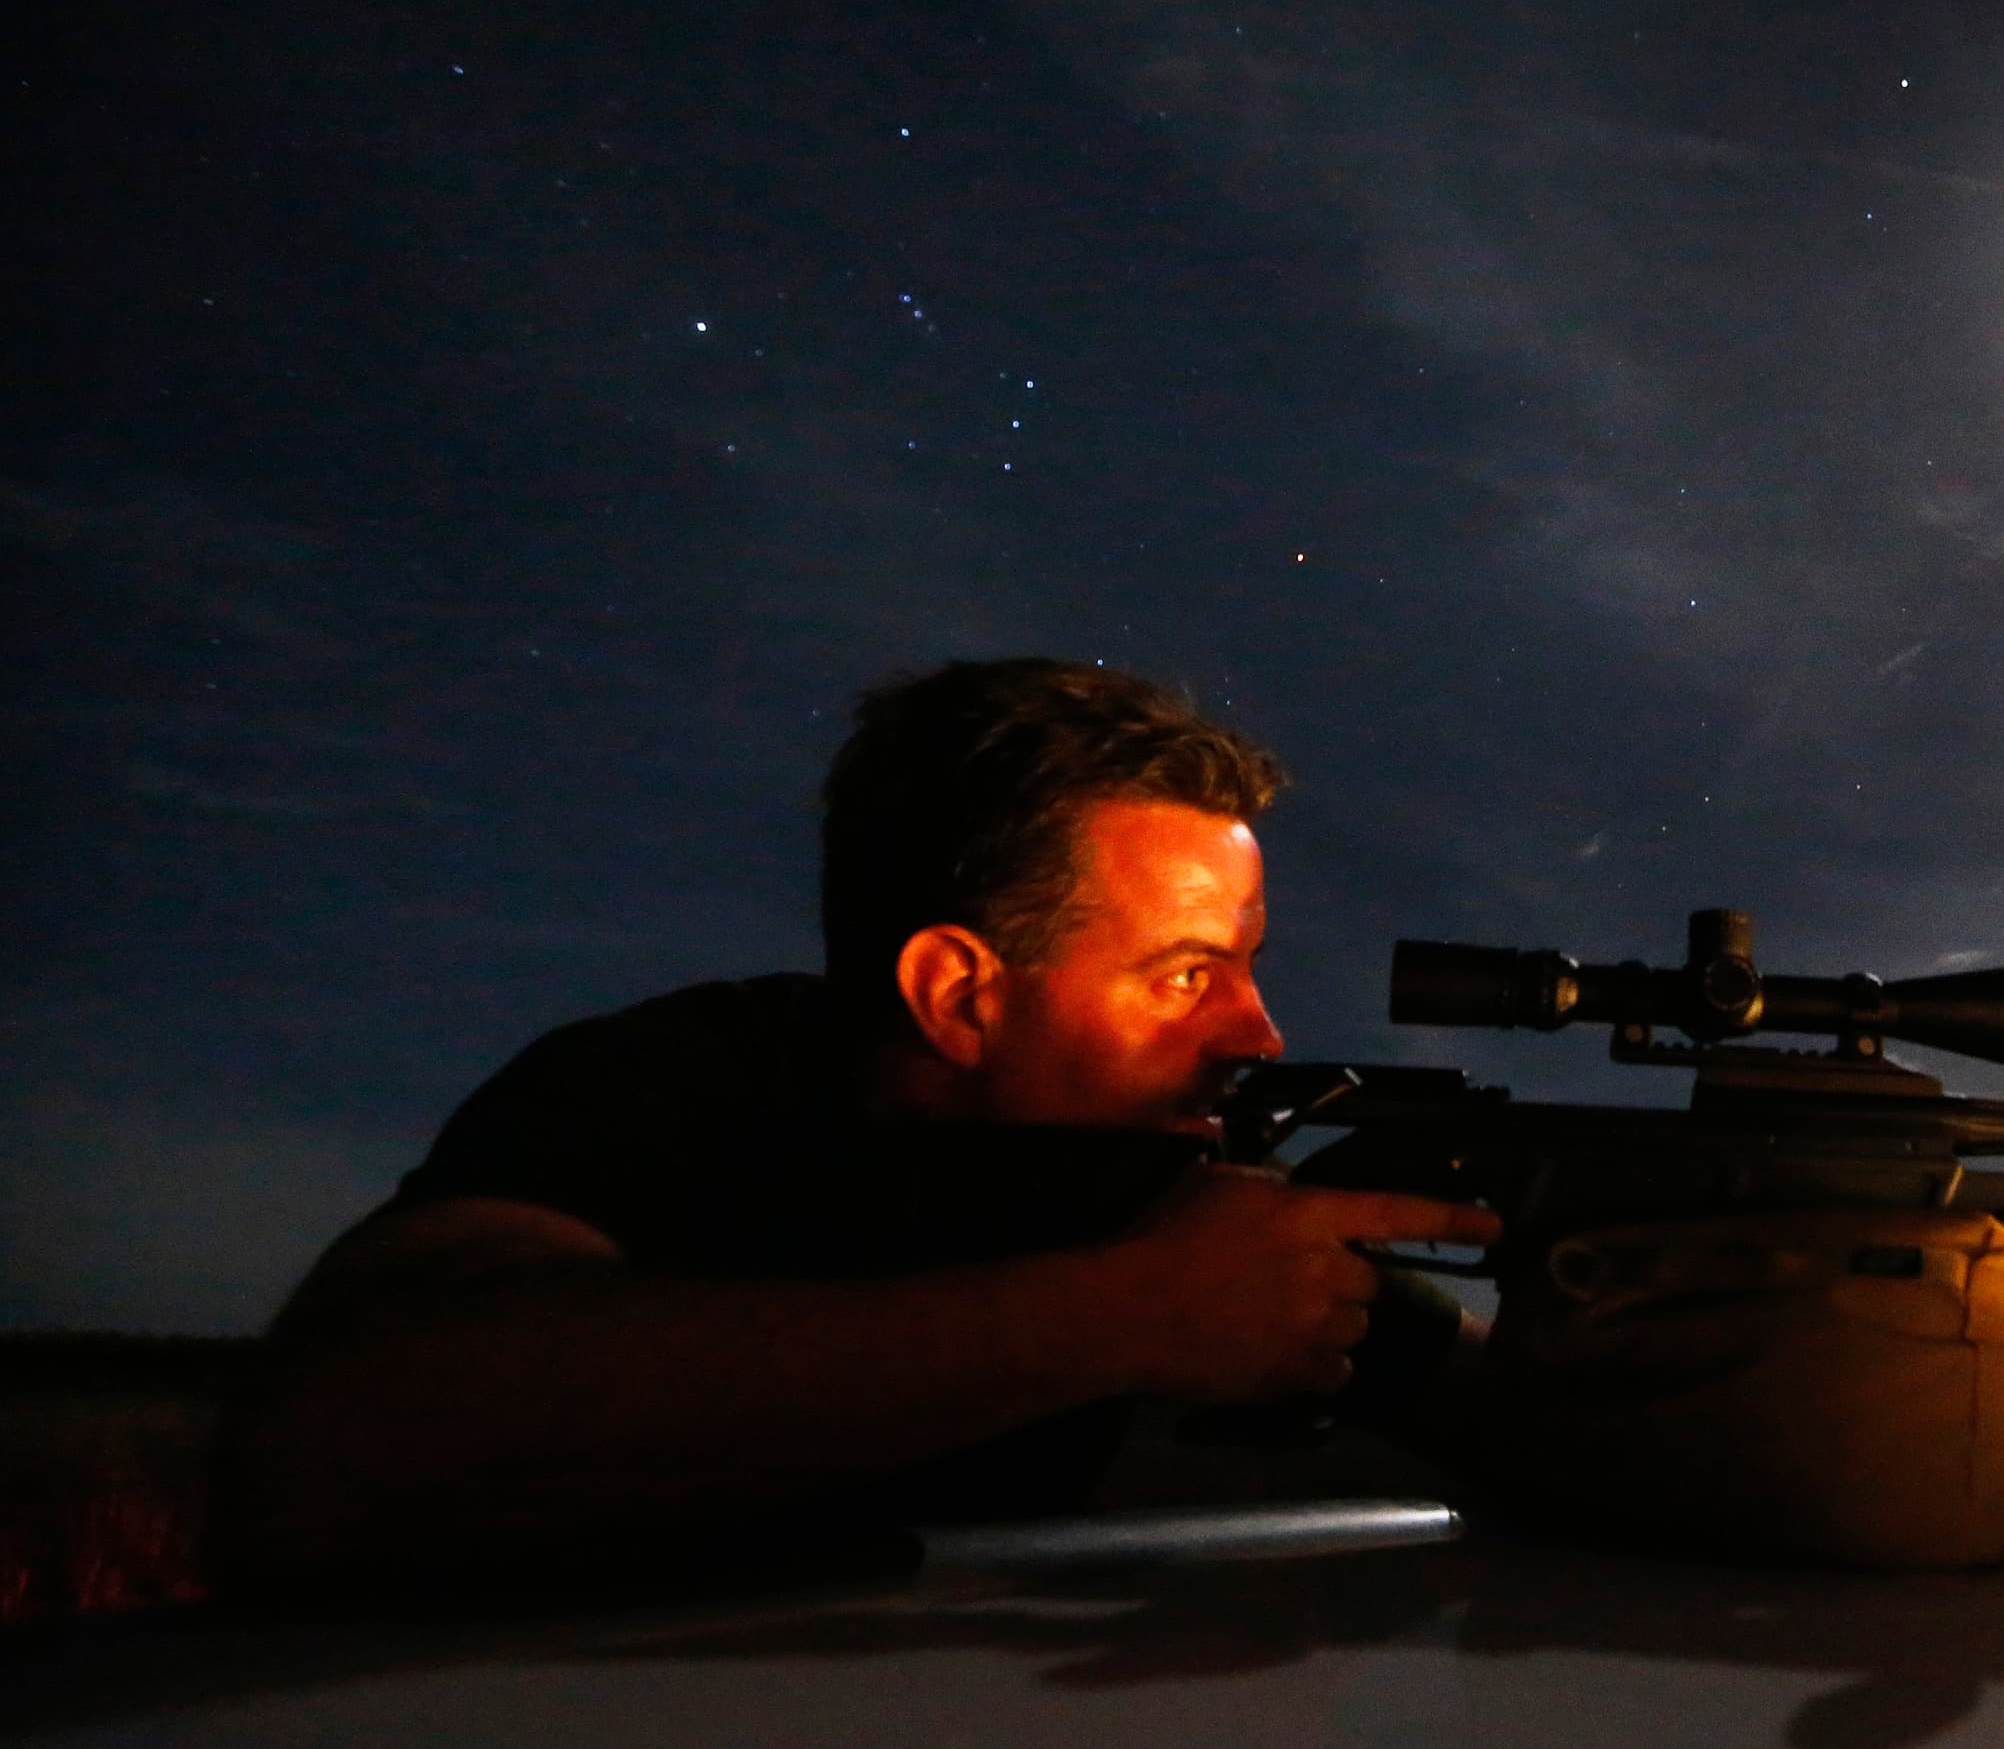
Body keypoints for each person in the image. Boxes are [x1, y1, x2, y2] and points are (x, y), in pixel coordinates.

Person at [213, 659, 1499, 1590]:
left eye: (1247, 966)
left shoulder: (1144, 1180)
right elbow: (350, 1427)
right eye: (1182, 974)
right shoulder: (684, 1082)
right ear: (960, 994)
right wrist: (1119, 1314)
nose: (1257, 1034)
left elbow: (1529, 1415)